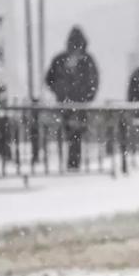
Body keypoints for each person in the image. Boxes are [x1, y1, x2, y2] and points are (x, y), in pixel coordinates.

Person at [45, 26, 99, 170]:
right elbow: (94, 81)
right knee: (77, 131)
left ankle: (72, 160)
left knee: (70, 130)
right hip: (80, 102)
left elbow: (49, 79)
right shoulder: (87, 60)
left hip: (66, 102)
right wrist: (87, 96)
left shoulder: (60, 59)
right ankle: (74, 160)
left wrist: (59, 91)